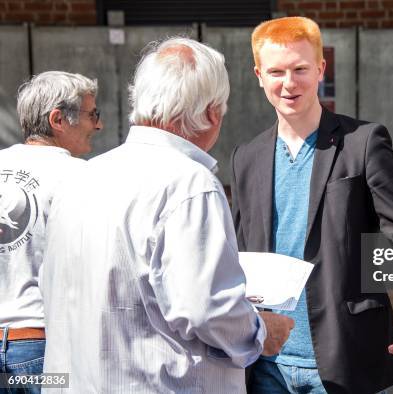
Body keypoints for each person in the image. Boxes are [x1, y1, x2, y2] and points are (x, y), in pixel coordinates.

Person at [40, 37, 293, 393]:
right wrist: (262, 332)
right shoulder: (191, 184)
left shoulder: (80, 178)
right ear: (211, 113)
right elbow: (207, 311)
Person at [230, 17, 393, 394]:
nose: (289, 83)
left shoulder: (364, 142)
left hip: (343, 355)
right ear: (258, 75)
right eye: (276, 72)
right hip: (264, 361)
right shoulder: (246, 157)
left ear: (321, 69)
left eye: (300, 69)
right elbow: (237, 252)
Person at [0, 71, 102, 393]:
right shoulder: (80, 176)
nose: (97, 125)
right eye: (92, 115)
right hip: (44, 352)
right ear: (58, 119)